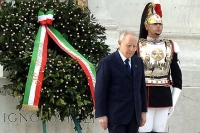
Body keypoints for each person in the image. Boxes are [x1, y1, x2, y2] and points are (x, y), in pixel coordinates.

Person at [137, 0, 182, 132]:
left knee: (159, 129)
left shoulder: (170, 46)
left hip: (164, 96)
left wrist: (173, 101)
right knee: (144, 129)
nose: (158, 26)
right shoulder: (138, 46)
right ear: (147, 25)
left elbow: (177, 79)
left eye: (160, 23)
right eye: (155, 23)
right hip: (145, 97)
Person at [95, 30, 147, 133]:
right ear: (119, 43)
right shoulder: (107, 62)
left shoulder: (138, 61)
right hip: (116, 116)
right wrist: (102, 114)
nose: (132, 49)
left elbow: (142, 88)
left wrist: (143, 111)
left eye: (134, 46)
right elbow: (101, 90)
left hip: (134, 116)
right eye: (129, 46)